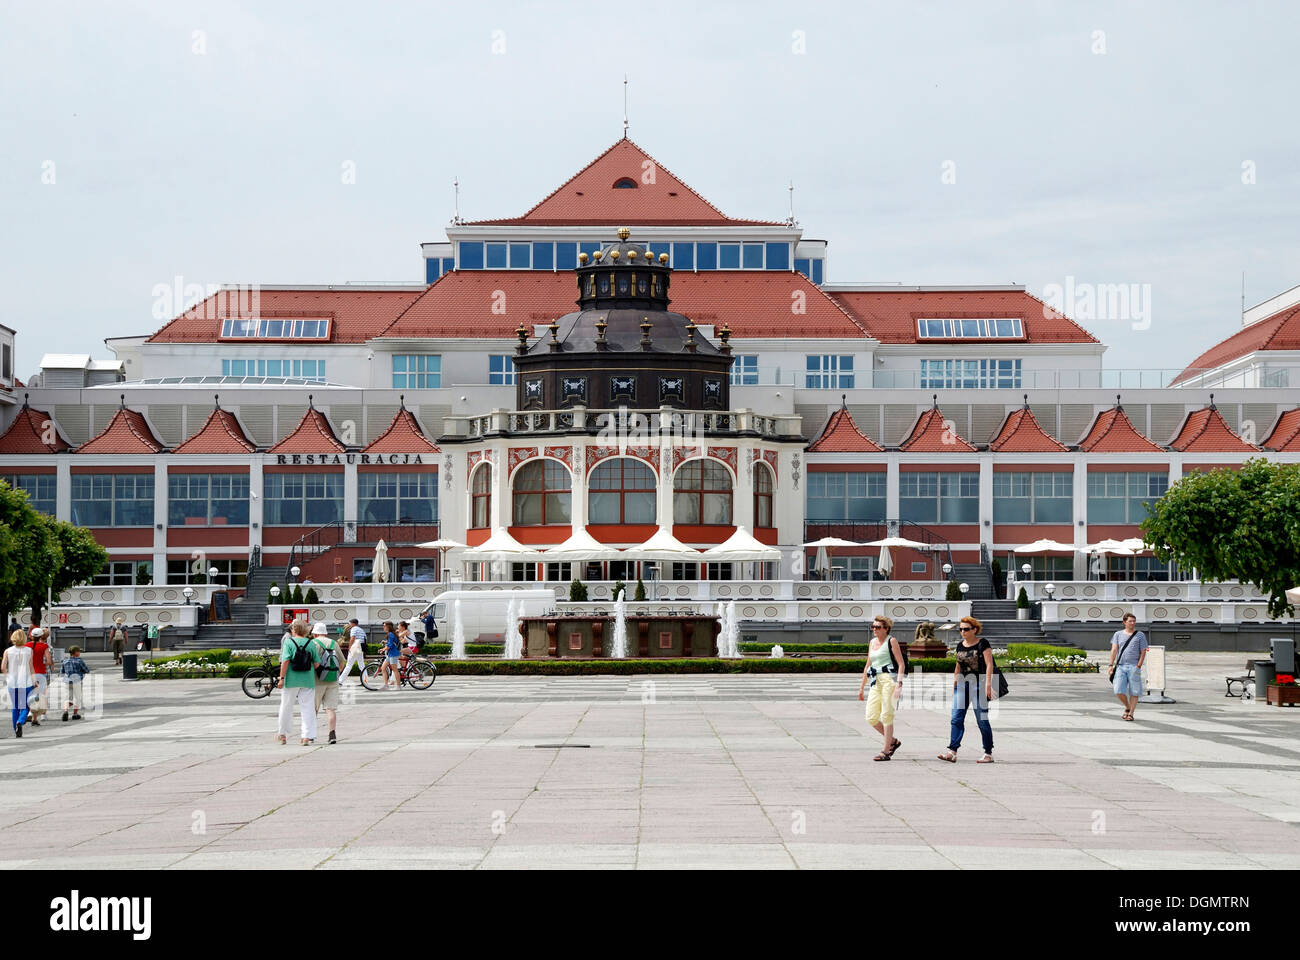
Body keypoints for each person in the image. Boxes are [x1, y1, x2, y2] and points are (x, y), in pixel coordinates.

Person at [938, 615, 995, 764]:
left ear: (974, 629)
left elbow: (990, 664)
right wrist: (955, 682)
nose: (963, 632)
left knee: (982, 719)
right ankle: (952, 751)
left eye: (966, 629)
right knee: (956, 718)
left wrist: (989, 684)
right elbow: (958, 665)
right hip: (963, 684)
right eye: (961, 629)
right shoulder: (960, 645)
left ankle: (988, 752)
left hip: (979, 684)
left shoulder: (983, 643)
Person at [857, 615, 906, 761]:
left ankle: (885, 751)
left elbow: (901, 663)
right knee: (871, 717)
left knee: (886, 715)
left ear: (886, 628)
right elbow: (868, 665)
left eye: (877, 627)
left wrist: (899, 684)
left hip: (888, 681)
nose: (874, 629)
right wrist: (861, 687)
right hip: (875, 681)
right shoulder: (872, 642)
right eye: (873, 627)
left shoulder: (891, 641)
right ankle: (892, 741)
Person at [277, 619, 320, 745]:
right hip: (307, 680)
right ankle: (306, 736)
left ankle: (282, 734)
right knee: (308, 709)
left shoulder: (289, 643)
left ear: (293, 630)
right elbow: (317, 664)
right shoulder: (311, 643)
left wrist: (281, 678)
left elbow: (285, 661)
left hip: (291, 679)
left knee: (286, 706)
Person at [1108, 613, 1149, 721]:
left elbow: (1143, 651)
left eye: (1134, 621)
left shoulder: (1140, 635)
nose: (1132, 623)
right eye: (1130, 621)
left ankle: (1131, 713)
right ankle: (1127, 707)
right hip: (1120, 666)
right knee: (1118, 690)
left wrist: (1139, 665)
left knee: (1134, 691)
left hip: (1133, 666)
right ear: (1124, 622)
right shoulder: (1118, 634)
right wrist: (1110, 665)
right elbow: (1114, 650)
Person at [309, 622, 340, 744]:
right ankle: (332, 734)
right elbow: (341, 663)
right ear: (325, 633)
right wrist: (333, 674)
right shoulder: (334, 643)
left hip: (316, 680)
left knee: (313, 709)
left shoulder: (313, 644)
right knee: (330, 709)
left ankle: (310, 734)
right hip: (332, 679)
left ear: (315, 634)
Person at [4, 628, 34, 738]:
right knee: (26, 705)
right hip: (26, 681)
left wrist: (8, 676)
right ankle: (20, 721)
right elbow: (31, 668)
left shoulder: (7, 651)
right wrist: (35, 680)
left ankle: (15, 728)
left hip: (12, 682)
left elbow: (3, 667)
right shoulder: (29, 651)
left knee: (15, 706)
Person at [28, 627, 52, 727]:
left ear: (31, 636)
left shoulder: (26, 645)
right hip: (41, 673)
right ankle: (41, 715)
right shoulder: (44, 646)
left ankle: (30, 712)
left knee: (30, 694)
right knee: (41, 694)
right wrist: (43, 665)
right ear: (41, 636)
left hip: (29, 673)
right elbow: (49, 661)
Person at [60, 645, 90, 721]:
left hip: (67, 681)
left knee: (68, 698)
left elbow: (62, 672)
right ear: (75, 652)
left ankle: (66, 711)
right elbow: (86, 670)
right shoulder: (79, 661)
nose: (79, 653)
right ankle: (75, 714)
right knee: (77, 697)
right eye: (79, 651)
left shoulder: (65, 661)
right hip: (77, 681)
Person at [339, 619, 367, 685]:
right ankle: (365, 681)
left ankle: (340, 681)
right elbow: (365, 639)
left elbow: (352, 638)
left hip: (355, 647)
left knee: (348, 665)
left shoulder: (354, 629)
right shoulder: (361, 630)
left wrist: (350, 647)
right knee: (362, 665)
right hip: (360, 648)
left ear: (353, 623)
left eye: (350, 623)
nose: (349, 625)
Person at [379, 620, 401, 690]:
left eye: (384, 626)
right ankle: (386, 685)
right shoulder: (391, 633)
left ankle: (398, 686)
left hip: (393, 654)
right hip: (390, 654)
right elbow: (390, 643)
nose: (383, 627)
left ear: (388, 627)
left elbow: (389, 646)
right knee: (383, 668)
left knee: (395, 670)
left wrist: (383, 649)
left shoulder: (391, 634)